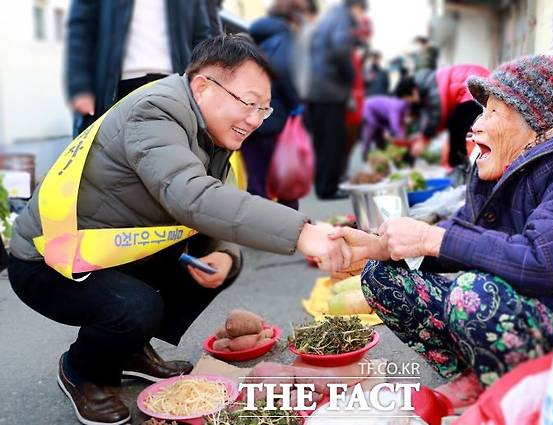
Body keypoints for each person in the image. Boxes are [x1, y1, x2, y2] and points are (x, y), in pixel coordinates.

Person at [8, 35, 351, 425]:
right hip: (48, 259)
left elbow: (220, 204)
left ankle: (130, 350)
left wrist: (223, 253)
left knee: (214, 259)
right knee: (135, 307)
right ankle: (81, 370)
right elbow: (191, 197)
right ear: (203, 85)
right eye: (248, 103)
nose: (255, 120)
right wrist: (305, 233)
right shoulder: (155, 112)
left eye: (263, 108)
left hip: (110, 245)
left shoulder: (211, 128)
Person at [331, 55, 553, 409]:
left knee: (474, 294)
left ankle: (522, 397)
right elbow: (464, 234)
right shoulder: (510, 166)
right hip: (549, 309)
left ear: (535, 121)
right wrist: (380, 247)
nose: (475, 126)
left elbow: (543, 263)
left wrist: (429, 238)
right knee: (384, 275)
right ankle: (476, 374)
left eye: (492, 113)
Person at [66, 0, 212, 136]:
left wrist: (203, 89)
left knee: (168, 158)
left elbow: (201, 37)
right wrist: (80, 86)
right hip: (117, 90)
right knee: (117, 158)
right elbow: (81, 27)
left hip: (174, 88)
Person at [242, 0, 309, 210]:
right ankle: (288, 232)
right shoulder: (286, 38)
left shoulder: (257, 40)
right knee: (287, 180)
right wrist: (297, 104)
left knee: (256, 180)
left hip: (250, 117)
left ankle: (260, 230)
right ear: (294, 20)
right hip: (277, 120)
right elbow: (287, 72)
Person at [305, 0, 367, 199]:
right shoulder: (343, 18)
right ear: (355, 8)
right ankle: (328, 188)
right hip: (330, 90)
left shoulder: (328, 18)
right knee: (333, 142)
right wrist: (350, 76)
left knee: (322, 142)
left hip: (315, 89)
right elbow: (341, 51)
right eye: (361, 13)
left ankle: (323, 184)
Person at [413, 64, 490, 175]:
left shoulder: (432, 87)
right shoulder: (433, 82)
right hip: (475, 87)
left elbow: (437, 114)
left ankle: (458, 167)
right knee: (456, 125)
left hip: (475, 89)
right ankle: (458, 165)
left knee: (457, 125)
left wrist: (425, 139)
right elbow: (441, 118)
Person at [360, 78, 420, 157]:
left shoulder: (406, 104)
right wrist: (402, 138)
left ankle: (380, 155)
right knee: (370, 131)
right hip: (368, 108)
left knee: (381, 135)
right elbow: (395, 124)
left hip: (379, 114)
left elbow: (401, 122)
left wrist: (402, 133)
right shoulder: (397, 106)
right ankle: (365, 154)